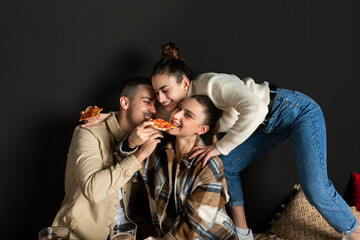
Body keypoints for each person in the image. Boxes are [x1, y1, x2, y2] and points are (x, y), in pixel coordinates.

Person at [148, 42, 359, 240]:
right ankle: (243, 233)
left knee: (315, 188)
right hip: (264, 126)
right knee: (225, 166)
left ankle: (353, 230)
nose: (161, 99)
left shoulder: (210, 84)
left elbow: (257, 108)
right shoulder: (184, 106)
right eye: (156, 93)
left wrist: (220, 147)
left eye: (165, 91)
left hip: (294, 111)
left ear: (185, 83)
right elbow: (165, 121)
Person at [52, 76, 162, 240]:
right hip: (82, 233)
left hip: (127, 231)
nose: (153, 110)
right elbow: (93, 191)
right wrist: (139, 155)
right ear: (124, 103)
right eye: (147, 102)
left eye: (156, 105)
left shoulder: (150, 135)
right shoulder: (87, 133)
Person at [117, 95, 238, 240]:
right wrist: (131, 144)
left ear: (202, 129)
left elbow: (194, 225)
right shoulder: (155, 150)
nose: (176, 115)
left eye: (187, 115)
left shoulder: (209, 164)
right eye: (179, 108)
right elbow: (122, 173)